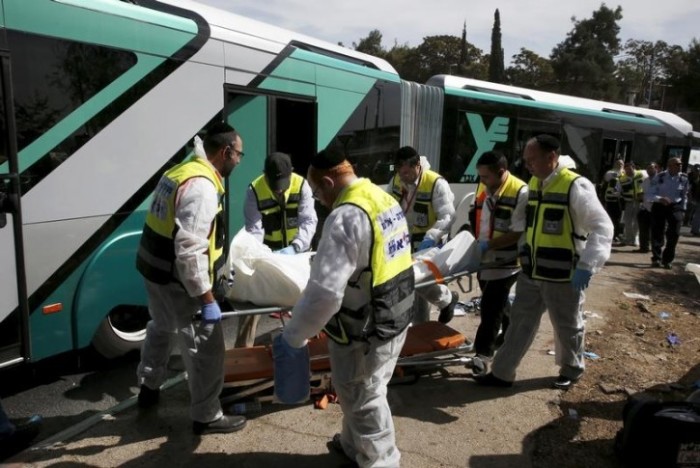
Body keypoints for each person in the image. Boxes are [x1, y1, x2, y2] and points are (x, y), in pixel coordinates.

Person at [281, 147, 414, 467]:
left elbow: (324, 294)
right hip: (393, 315)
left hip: (364, 327)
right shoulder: (381, 198)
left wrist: (294, 336)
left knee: (363, 395)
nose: (318, 200)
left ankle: (383, 462)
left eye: (315, 192)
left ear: (328, 182)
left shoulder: (345, 216)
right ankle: (354, 446)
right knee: (363, 389)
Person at [474, 135, 613, 390]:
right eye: (526, 160)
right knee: (519, 323)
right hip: (532, 271)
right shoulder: (536, 183)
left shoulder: (575, 186)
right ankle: (502, 374)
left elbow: (603, 229)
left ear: (551, 157)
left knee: (567, 326)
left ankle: (572, 369)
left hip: (563, 275)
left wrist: (586, 266)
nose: (528, 165)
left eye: (532, 160)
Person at [135, 122, 247, 435]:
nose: (239, 161)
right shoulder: (201, 187)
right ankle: (207, 416)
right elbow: (189, 251)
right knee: (205, 350)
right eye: (238, 154)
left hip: (155, 272)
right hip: (179, 282)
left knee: (160, 326)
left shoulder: (177, 172)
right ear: (225, 152)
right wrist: (206, 298)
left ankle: (148, 385)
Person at [237, 152, 318, 347]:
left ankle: (310, 344)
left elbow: (309, 220)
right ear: (265, 175)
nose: (279, 191)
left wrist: (296, 247)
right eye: (275, 187)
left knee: (310, 301)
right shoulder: (255, 190)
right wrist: (261, 255)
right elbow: (254, 229)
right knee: (252, 302)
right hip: (269, 253)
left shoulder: (302, 185)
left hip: (298, 252)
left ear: (291, 173)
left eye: (283, 185)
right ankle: (242, 352)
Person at [468, 151, 528, 376]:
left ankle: (482, 356)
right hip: (485, 260)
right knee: (498, 304)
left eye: (486, 177)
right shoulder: (485, 188)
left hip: (507, 261)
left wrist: (488, 245)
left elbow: (516, 233)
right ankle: (510, 333)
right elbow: (476, 215)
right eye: (481, 177)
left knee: (490, 307)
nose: (482, 182)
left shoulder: (520, 191)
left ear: (501, 173)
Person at [388, 145, 458, 324]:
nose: (403, 177)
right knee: (408, 281)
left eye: (407, 173)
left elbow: (447, 215)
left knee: (416, 280)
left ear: (417, 166)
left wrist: (431, 237)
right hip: (405, 239)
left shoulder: (436, 183)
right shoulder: (396, 180)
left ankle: (440, 307)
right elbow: (387, 206)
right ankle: (445, 302)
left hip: (429, 241)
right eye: (400, 172)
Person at [649, 157, 689, 269]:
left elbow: (684, 195)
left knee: (674, 233)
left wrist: (683, 209)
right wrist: (660, 198)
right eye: (677, 164)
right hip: (660, 205)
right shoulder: (660, 177)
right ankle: (656, 258)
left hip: (675, 206)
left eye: (680, 164)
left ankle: (667, 260)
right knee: (657, 232)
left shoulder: (683, 178)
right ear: (670, 166)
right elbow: (649, 194)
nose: (680, 165)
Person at [617, 161, 645, 246]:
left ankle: (635, 238)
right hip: (628, 201)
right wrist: (617, 193)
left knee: (636, 221)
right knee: (627, 221)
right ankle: (628, 238)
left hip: (639, 201)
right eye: (626, 170)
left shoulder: (642, 174)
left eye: (629, 169)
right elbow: (617, 189)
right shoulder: (622, 178)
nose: (628, 171)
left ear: (634, 168)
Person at [635, 162, 658, 253]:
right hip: (645, 207)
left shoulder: (660, 179)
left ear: (656, 168)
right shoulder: (646, 180)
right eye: (648, 168)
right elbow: (643, 192)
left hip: (655, 208)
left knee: (655, 230)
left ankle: (655, 248)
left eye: (651, 168)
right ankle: (644, 247)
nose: (649, 170)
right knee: (643, 228)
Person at [601, 170, 623, 243]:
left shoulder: (615, 182)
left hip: (614, 204)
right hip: (612, 204)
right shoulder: (609, 183)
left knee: (614, 220)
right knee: (614, 220)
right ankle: (614, 235)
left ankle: (614, 235)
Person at [688, 164, 700, 236]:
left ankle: (694, 229)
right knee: (697, 215)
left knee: (696, 215)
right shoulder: (692, 177)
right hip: (697, 199)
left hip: (696, 198)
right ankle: (695, 230)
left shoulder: (697, 179)